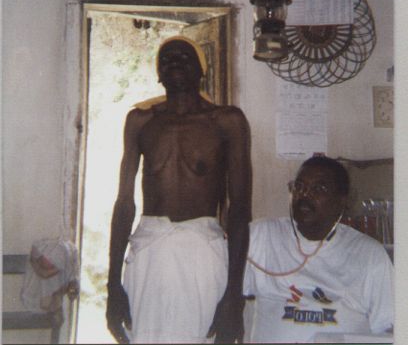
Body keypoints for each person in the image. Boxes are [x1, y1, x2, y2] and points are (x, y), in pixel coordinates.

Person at [106, 36, 252, 344]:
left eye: (185, 57)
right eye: (167, 59)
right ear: (158, 74)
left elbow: (239, 210)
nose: (175, 62)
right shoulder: (140, 121)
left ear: (201, 70)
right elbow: (124, 205)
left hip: (203, 252)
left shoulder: (227, 121)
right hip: (150, 252)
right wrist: (112, 286)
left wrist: (234, 295)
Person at [243, 156, 394, 343]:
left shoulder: (369, 255)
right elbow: (222, 288)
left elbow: (389, 329)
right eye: (299, 186)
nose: (305, 195)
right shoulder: (263, 236)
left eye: (319, 189)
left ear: (342, 201)